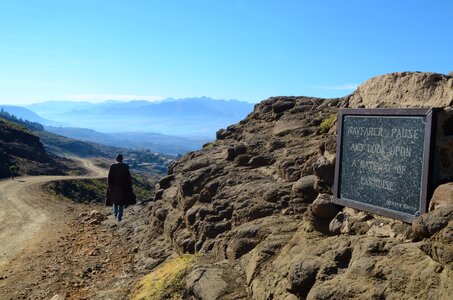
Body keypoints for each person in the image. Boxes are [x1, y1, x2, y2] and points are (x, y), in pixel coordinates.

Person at [105, 154, 136, 221]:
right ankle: (119, 216)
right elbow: (128, 178)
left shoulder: (112, 166)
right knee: (121, 202)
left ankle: (116, 214)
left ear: (116, 159)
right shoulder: (125, 166)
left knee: (115, 201)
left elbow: (109, 177)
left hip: (114, 187)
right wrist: (130, 187)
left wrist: (109, 186)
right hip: (123, 187)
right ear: (122, 159)